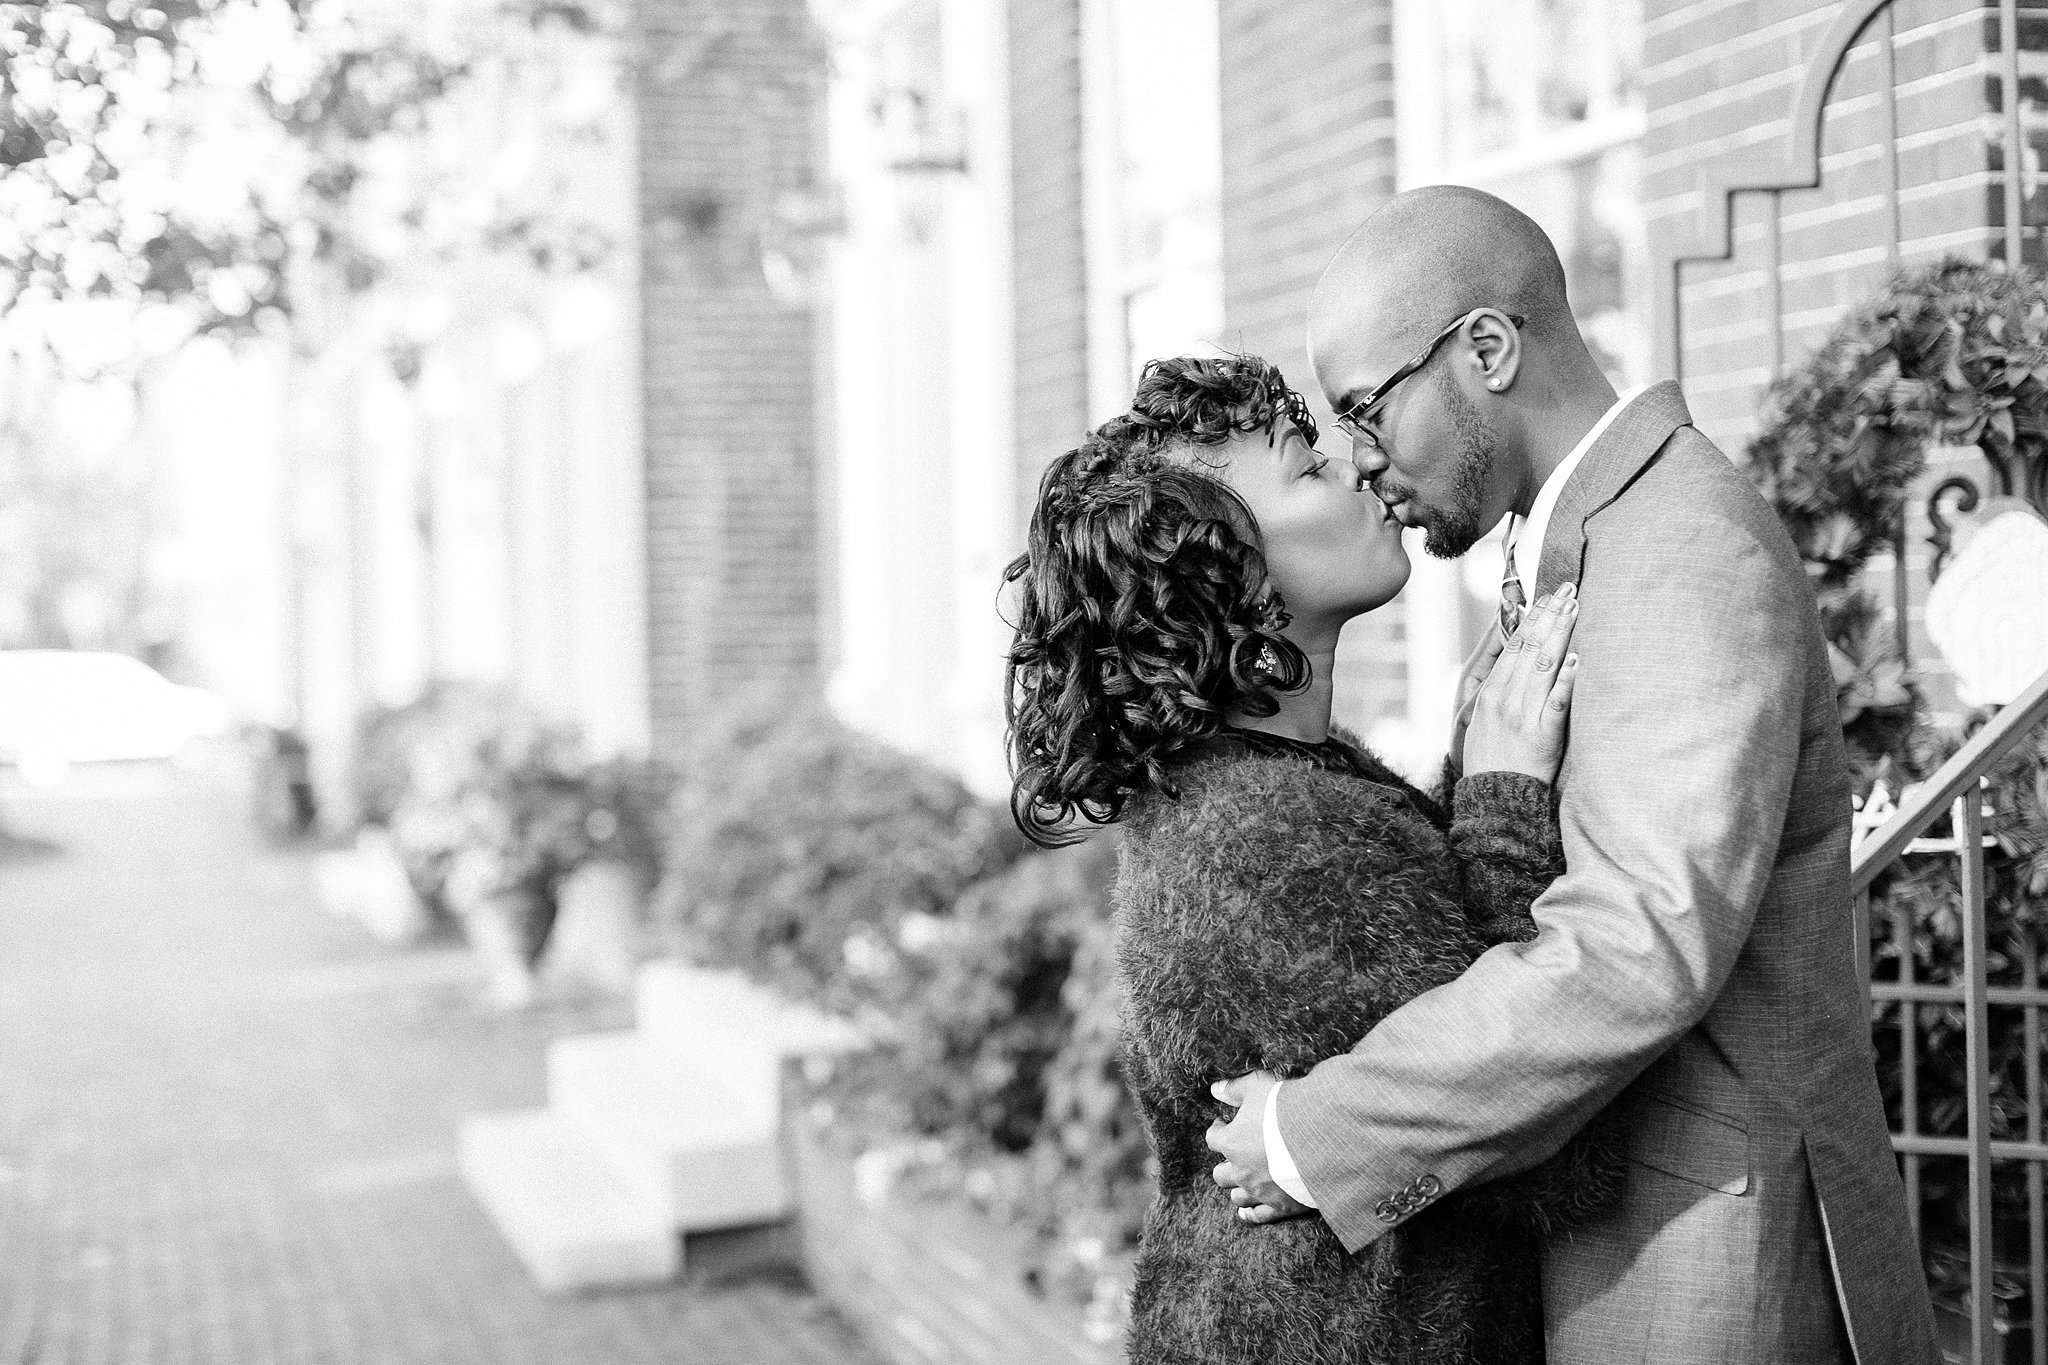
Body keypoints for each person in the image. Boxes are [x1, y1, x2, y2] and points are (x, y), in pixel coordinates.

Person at [1204, 185, 1938, 1363]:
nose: (1352, 459)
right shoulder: (1577, 542)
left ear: (1485, 348)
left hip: (1706, 1253)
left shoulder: (1678, 546)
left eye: (1361, 410)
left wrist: (1317, 1135)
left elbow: (1635, 942)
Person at [1005, 354, 1622, 1364]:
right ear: (1222, 575)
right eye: (1307, 469)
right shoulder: (1257, 842)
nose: (1361, 473)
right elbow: (1536, 1138)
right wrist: (1504, 804)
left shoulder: (1278, 783)